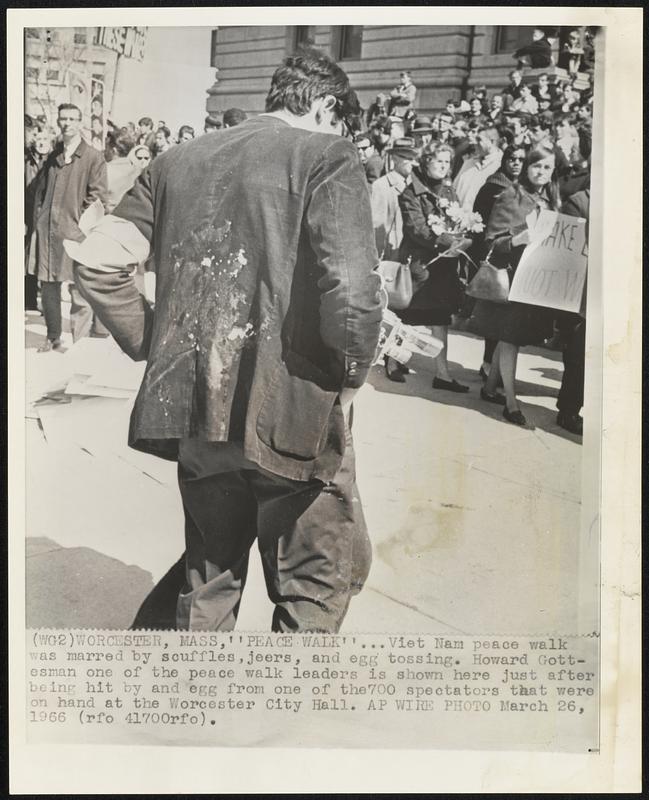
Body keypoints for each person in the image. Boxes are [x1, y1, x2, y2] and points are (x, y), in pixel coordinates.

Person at [67, 47, 383, 633]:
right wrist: (349, 380)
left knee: (207, 579)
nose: (342, 134)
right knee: (312, 587)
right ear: (324, 105)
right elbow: (354, 292)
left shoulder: (174, 159)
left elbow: (96, 262)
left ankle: (190, 713)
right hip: (295, 411)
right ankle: (285, 722)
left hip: (193, 408)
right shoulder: (327, 155)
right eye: (341, 122)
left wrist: (153, 340)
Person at [472, 145, 560, 425]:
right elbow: (490, 241)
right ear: (526, 167)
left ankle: (489, 388)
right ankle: (510, 402)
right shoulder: (511, 195)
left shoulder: (549, 200)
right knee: (510, 338)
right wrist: (515, 240)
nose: (541, 172)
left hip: (533, 278)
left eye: (547, 168)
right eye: (536, 166)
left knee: (512, 337)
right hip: (511, 278)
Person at [25, 103, 108, 350]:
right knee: (48, 283)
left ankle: (80, 342)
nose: (67, 123)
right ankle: (53, 338)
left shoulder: (93, 157)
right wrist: (38, 218)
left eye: (72, 119)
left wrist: (80, 222)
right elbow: (38, 191)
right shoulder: (54, 155)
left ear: (80, 122)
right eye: (63, 119)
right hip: (48, 230)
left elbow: (99, 197)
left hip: (75, 231)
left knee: (79, 287)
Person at [396, 142, 470, 392]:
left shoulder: (449, 192)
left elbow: (457, 217)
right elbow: (416, 229)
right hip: (421, 263)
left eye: (447, 162)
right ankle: (394, 360)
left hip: (444, 265)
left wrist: (461, 235)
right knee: (406, 314)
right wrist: (445, 240)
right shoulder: (410, 193)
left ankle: (442, 373)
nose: (443, 166)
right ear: (425, 161)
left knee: (441, 317)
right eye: (438, 161)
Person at [470, 144, 526, 383]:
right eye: (512, 158)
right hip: (497, 256)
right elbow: (481, 222)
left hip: (520, 259)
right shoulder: (492, 187)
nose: (516, 163)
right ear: (504, 161)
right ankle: (487, 364)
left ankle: (498, 370)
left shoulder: (525, 190)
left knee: (511, 320)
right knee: (495, 314)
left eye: (521, 159)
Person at [555, 187, 589, 435]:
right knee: (578, 356)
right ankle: (568, 411)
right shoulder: (578, 202)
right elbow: (564, 248)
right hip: (581, 293)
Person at [25, 128, 55, 311]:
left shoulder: (53, 162)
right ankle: (29, 300)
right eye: (38, 139)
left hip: (47, 217)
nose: (42, 142)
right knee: (28, 259)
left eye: (45, 138)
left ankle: (47, 304)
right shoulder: (26, 161)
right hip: (29, 215)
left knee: (45, 259)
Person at [453, 126, 503, 211]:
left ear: (492, 142)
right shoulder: (469, 163)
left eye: (479, 140)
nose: (475, 143)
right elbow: (454, 189)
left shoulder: (500, 166)